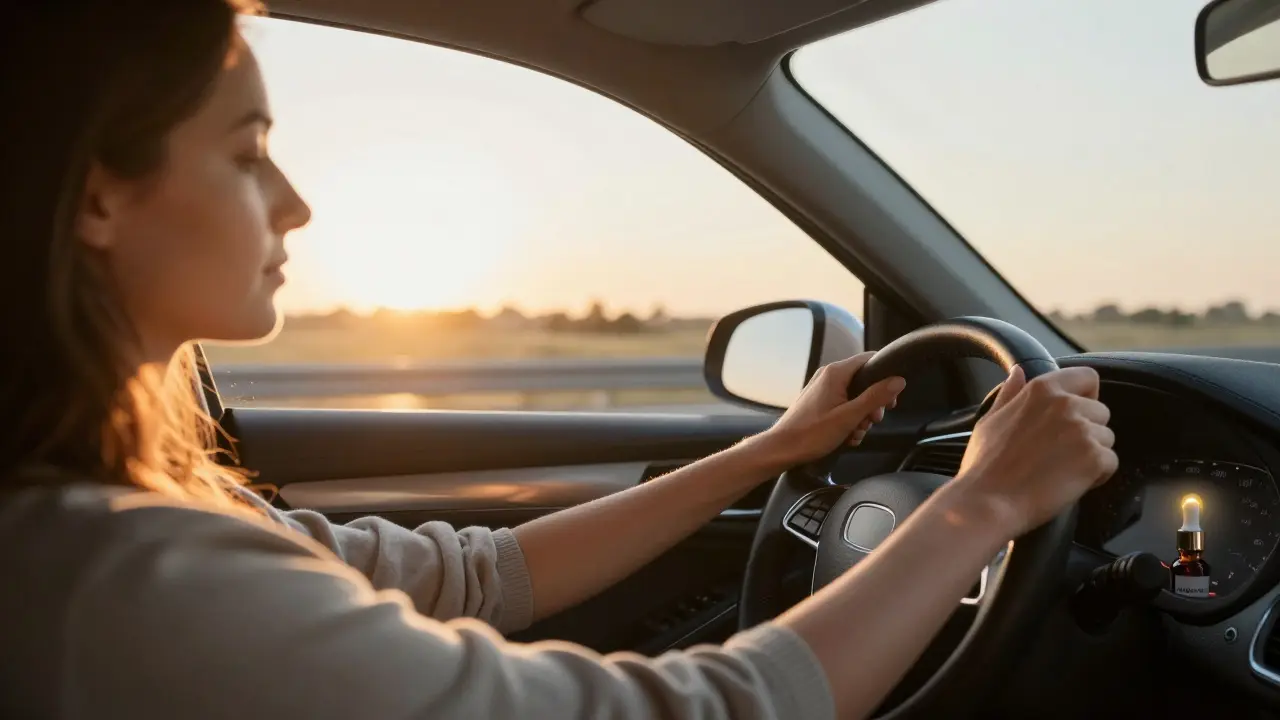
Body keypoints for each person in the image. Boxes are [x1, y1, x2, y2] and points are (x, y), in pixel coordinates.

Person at [0, 1, 1118, 718]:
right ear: (96, 193)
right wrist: (976, 509)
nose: (294, 205)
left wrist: (767, 453)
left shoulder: (121, 533)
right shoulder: (113, 578)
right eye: (248, 155)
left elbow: (482, 576)